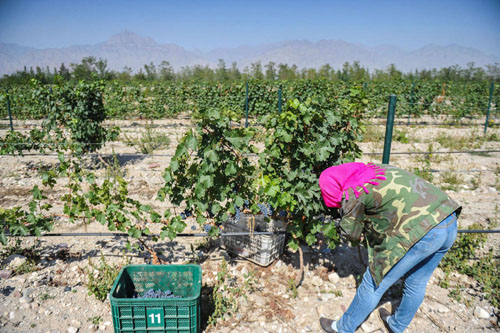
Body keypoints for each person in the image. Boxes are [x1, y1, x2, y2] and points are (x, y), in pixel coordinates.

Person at [317, 162, 461, 333]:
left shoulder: (354, 192)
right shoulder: (375, 170)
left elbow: (351, 234)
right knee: (417, 281)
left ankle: (342, 328)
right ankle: (396, 325)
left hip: (424, 232)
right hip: (448, 218)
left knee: (373, 282)